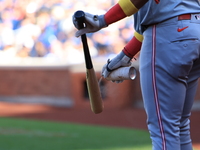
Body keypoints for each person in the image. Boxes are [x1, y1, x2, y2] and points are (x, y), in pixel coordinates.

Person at [73, 0, 200, 149]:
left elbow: (155, 16)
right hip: (195, 29)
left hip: (167, 36)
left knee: (165, 131)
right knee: (180, 127)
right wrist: (125, 55)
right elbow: (157, 16)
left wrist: (102, 20)